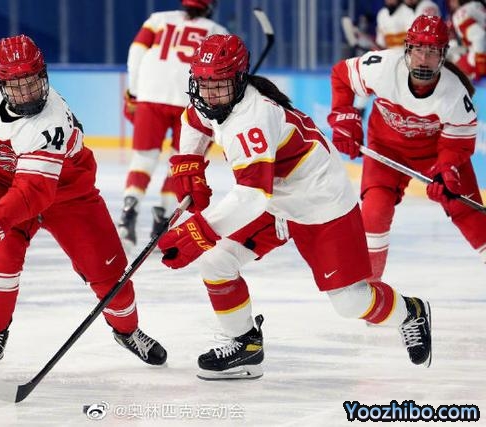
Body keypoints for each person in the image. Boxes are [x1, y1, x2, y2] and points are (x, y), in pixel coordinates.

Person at [156, 34, 432, 380]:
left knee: (351, 303)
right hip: (276, 200)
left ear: (239, 80)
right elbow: (193, 120)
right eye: (204, 84)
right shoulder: (214, 97)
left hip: (320, 203)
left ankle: (411, 312)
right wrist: (189, 164)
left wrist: (197, 232)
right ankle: (245, 346)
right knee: (215, 261)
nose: (209, 95)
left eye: (219, 85)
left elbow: (251, 196)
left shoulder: (253, 119)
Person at [0, 34, 167, 372]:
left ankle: (127, 331)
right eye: (17, 86)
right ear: (0, 83)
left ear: (44, 75)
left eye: (33, 82)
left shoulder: (50, 121)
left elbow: (33, 191)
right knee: (0, 259)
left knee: (109, 275)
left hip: (69, 194)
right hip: (6, 185)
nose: (27, 93)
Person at [328, 15, 486, 285]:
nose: (424, 59)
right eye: (419, 50)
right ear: (407, 49)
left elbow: (457, 143)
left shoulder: (455, 94)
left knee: (468, 212)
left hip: (434, 153)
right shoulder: (383, 67)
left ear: (443, 55)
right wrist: (344, 119)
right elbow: (341, 75)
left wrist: (445, 170)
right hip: (386, 149)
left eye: (432, 52)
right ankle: (369, 289)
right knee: (375, 211)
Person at [118, 0, 227, 250]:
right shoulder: (217, 30)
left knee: (143, 157)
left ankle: (129, 207)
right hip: (190, 102)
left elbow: (136, 53)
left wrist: (134, 91)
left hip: (150, 94)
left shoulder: (158, 19)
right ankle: (163, 214)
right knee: (181, 160)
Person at [447, 0, 486, 81]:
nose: (450, 3)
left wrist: (480, 61)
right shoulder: (478, 4)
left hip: (480, 54)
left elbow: (479, 36)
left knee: (454, 73)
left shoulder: (461, 13)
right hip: (479, 50)